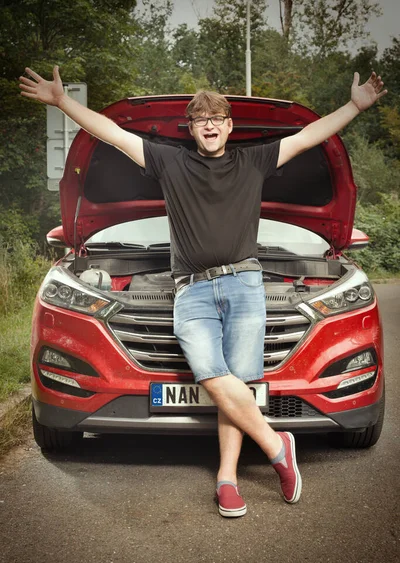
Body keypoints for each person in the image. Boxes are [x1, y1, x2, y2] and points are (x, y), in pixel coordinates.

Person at [20, 66, 387, 518]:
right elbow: (113, 134)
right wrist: (62, 102)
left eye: (217, 118)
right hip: (191, 291)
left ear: (230, 127)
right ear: (190, 128)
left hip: (246, 285)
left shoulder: (254, 160)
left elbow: (309, 136)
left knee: (239, 381)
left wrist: (354, 106)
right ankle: (277, 446)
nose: (209, 125)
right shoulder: (169, 161)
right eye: (200, 119)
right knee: (214, 375)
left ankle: (227, 479)